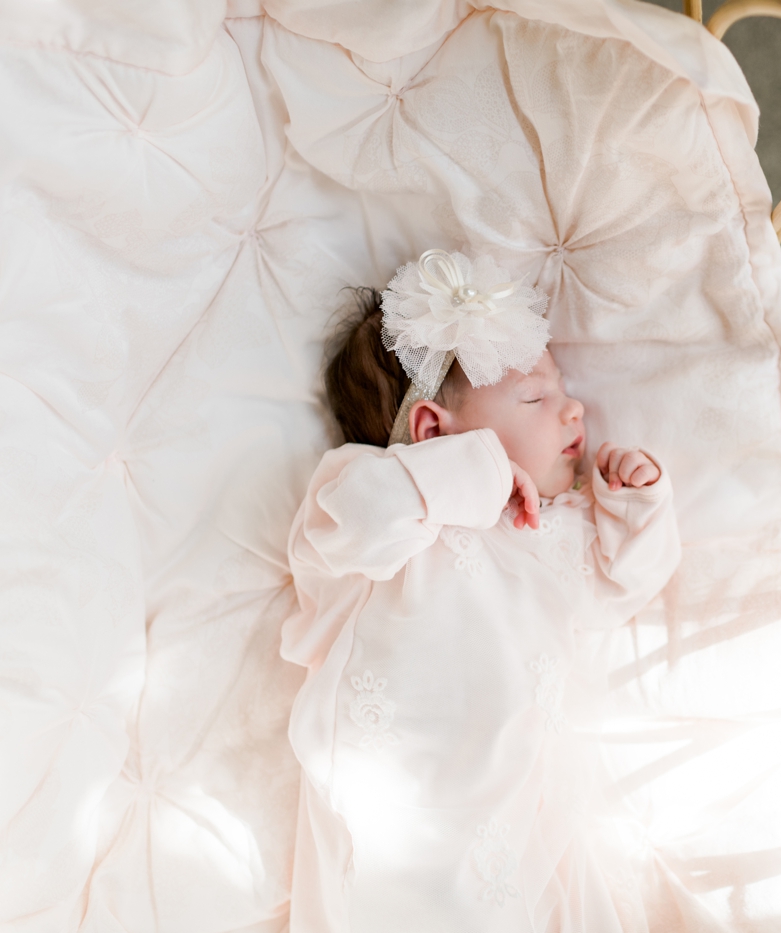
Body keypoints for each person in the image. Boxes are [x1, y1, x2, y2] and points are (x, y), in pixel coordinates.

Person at [280, 248, 681, 933]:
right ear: (432, 431)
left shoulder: (550, 528)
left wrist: (635, 508)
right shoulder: (382, 512)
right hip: (395, 815)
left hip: (517, 825)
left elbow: (621, 589)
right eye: (534, 397)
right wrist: (480, 474)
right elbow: (356, 517)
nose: (573, 408)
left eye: (560, 388)